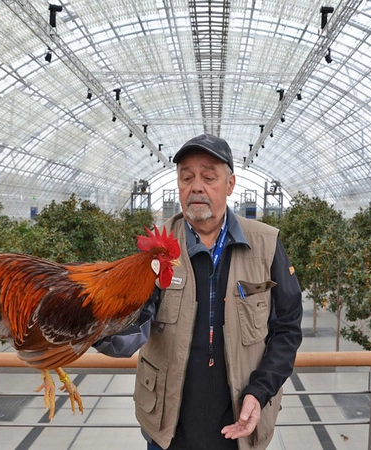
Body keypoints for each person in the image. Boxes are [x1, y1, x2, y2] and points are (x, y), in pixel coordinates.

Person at [94, 134, 303, 450]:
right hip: (169, 428)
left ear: (230, 184)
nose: (196, 187)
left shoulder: (267, 245)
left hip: (240, 424)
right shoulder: (158, 248)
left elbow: (286, 329)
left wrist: (260, 391)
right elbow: (135, 328)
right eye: (186, 177)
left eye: (209, 177)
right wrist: (91, 328)